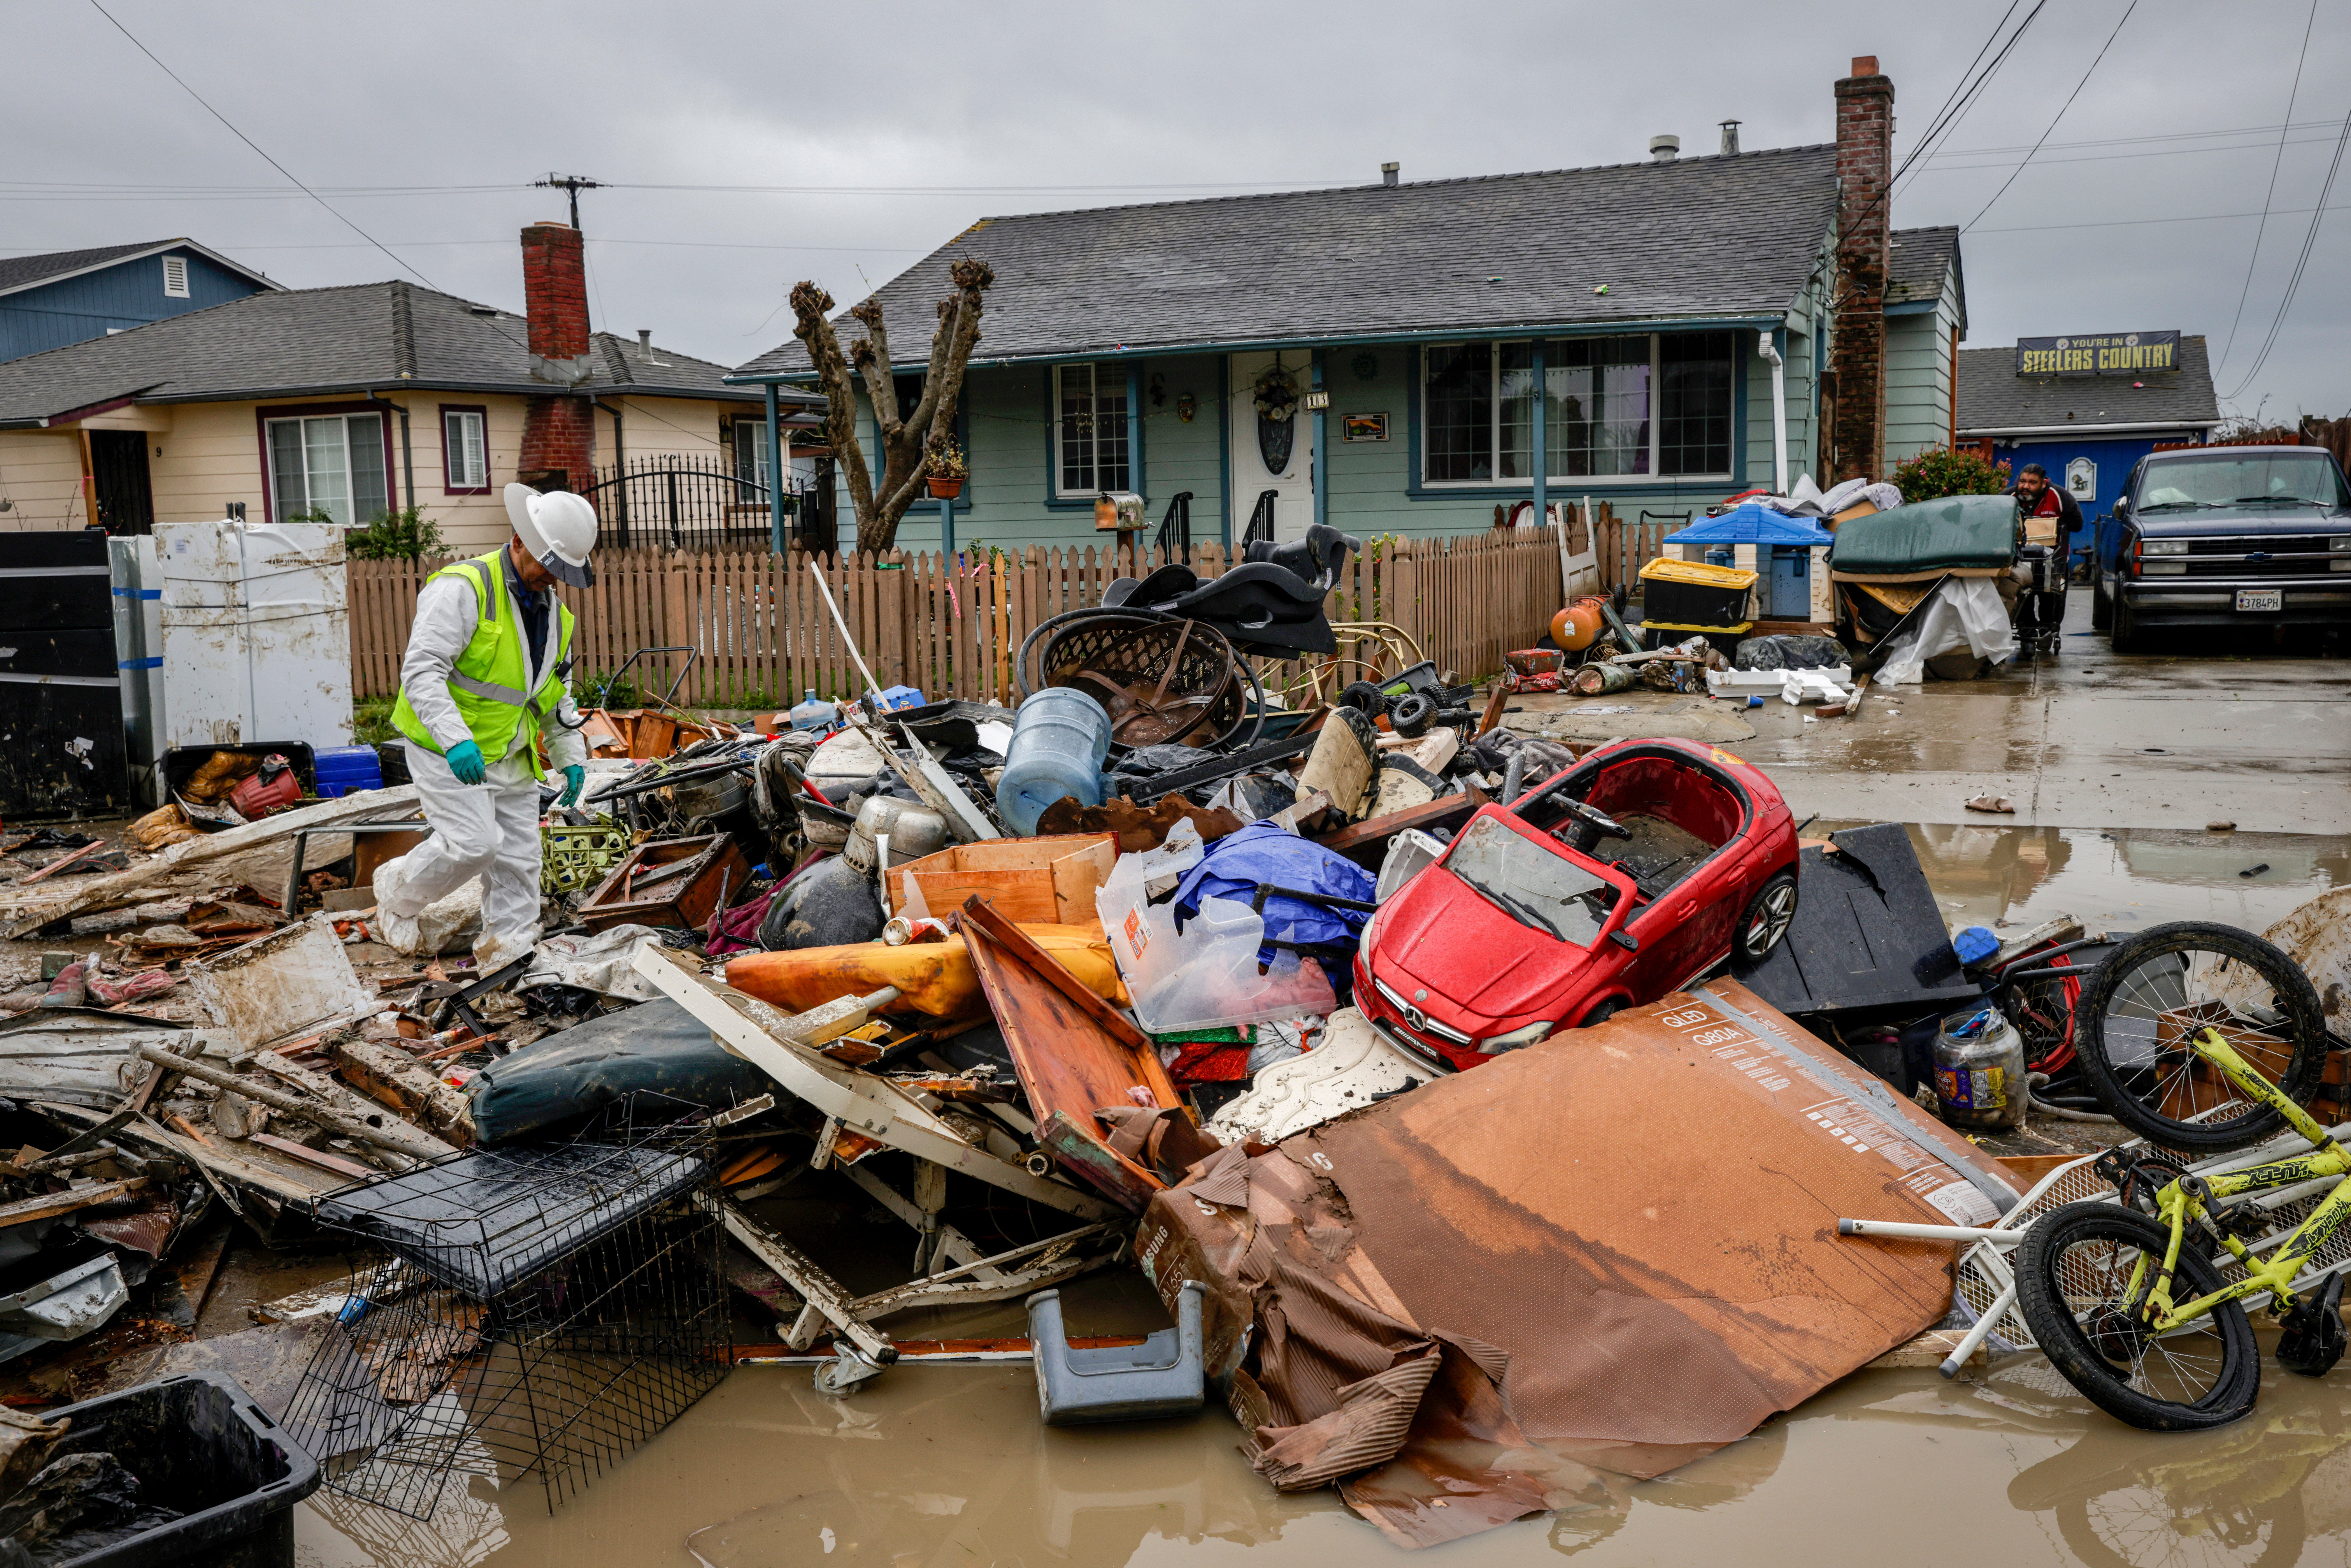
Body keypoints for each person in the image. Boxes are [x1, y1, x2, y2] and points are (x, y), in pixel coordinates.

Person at [372, 484, 595, 968]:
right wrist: (455, 740)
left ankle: (507, 958)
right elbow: (422, 671)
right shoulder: (463, 588)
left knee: (519, 860)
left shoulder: (557, 618)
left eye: (561, 569)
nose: (552, 577)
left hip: (509, 752)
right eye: (547, 563)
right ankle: (396, 891)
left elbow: (554, 696)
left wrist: (570, 755)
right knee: (474, 844)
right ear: (518, 540)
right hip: (447, 747)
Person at [2009, 462, 2084, 546]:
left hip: (2053, 551)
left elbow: (2077, 525)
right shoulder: (2009, 497)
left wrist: (2049, 526)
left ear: (2044, 484)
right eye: (2023, 481)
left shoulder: (2059, 495)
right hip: (2016, 550)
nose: (2026, 486)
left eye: (2032, 482)